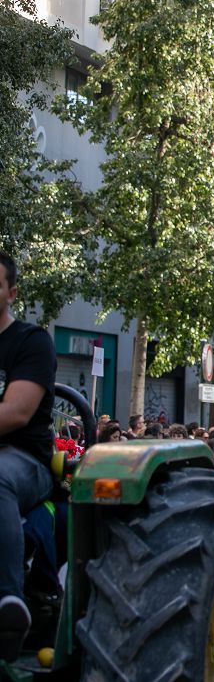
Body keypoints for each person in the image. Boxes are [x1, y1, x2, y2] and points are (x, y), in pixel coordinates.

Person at [0, 252, 57, 661]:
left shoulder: (31, 341)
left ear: (11, 292)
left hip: (25, 461)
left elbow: (15, 413)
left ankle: (7, 602)